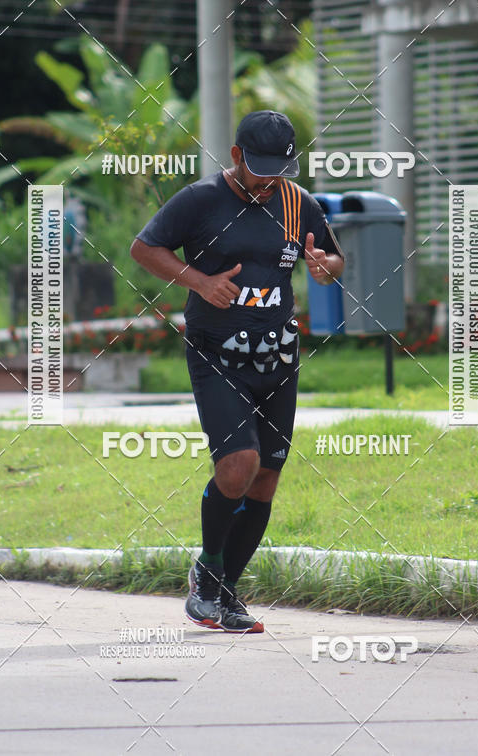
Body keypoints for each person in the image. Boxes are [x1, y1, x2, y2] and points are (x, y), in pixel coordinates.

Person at [131, 110, 344, 633]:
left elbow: (334, 260)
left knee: (267, 477)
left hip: (277, 357)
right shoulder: (202, 200)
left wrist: (323, 268)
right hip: (215, 352)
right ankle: (207, 575)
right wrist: (199, 282)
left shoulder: (298, 204)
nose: (268, 178)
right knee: (238, 464)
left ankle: (224, 591)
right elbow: (144, 248)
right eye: (258, 167)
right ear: (235, 157)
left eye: (278, 168)